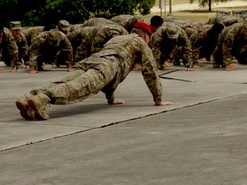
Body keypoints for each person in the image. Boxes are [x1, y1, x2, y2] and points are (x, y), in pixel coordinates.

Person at [15, 32, 172, 120]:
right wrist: (158, 98)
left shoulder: (117, 38)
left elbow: (115, 77)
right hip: (108, 64)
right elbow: (150, 70)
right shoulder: (140, 43)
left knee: (63, 80)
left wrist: (111, 98)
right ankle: (43, 100)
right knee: (80, 86)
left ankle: (29, 97)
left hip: (92, 59)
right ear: (145, 35)